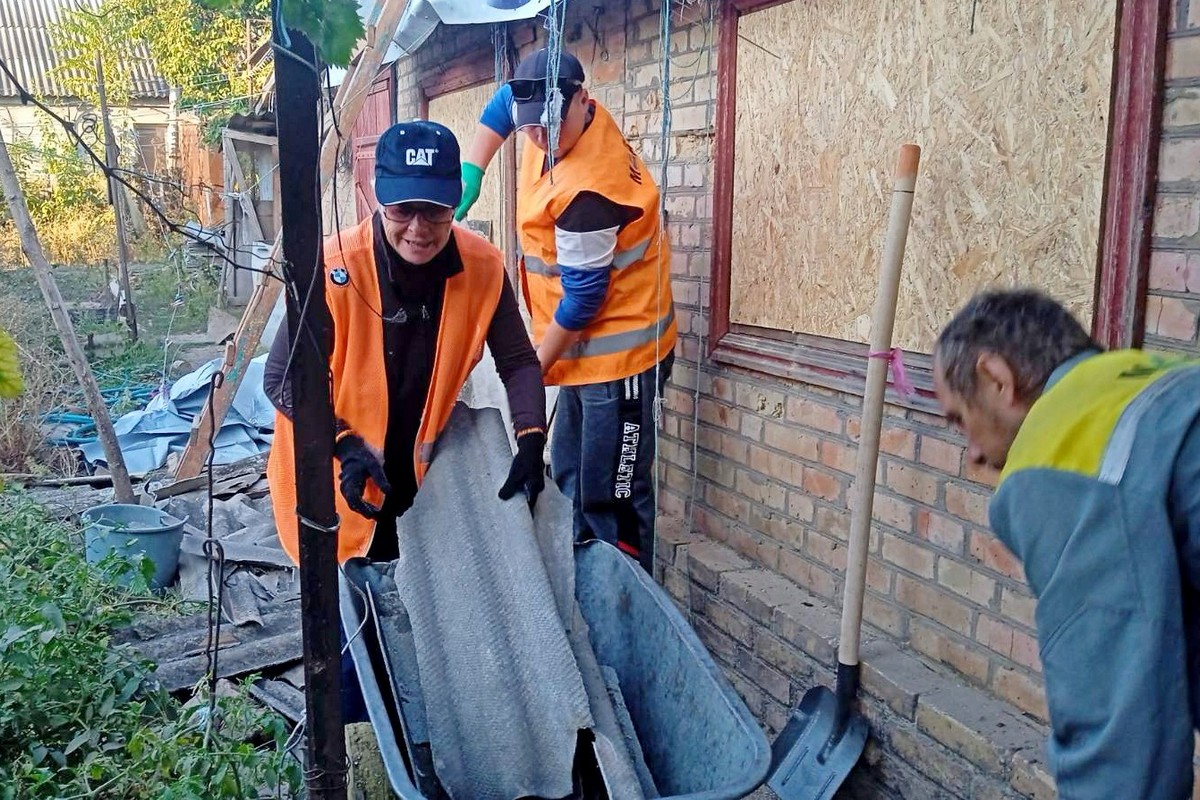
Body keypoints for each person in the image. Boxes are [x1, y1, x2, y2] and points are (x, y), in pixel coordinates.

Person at [932, 288, 1200, 799]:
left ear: (995, 378)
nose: (972, 455)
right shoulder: (1156, 381)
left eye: (959, 419)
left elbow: (1121, 744)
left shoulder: (1060, 451)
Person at [264, 118, 547, 566]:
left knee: (409, 601)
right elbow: (280, 377)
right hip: (331, 474)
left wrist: (531, 438)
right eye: (402, 210)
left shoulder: (484, 268)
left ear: (455, 201)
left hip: (414, 483)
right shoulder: (334, 268)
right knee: (342, 608)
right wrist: (343, 443)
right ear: (379, 198)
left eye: (435, 210)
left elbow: (517, 361)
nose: (419, 228)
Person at [455, 48, 676, 573]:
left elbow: (583, 300)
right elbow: (503, 107)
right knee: (574, 472)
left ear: (584, 100)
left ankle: (622, 611)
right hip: (586, 353)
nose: (540, 139)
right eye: (530, 129)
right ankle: (580, 579)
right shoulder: (544, 108)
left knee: (613, 500)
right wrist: (473, 167)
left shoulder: (590, 191)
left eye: (550, 127)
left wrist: (531, 370)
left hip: (622, 359)